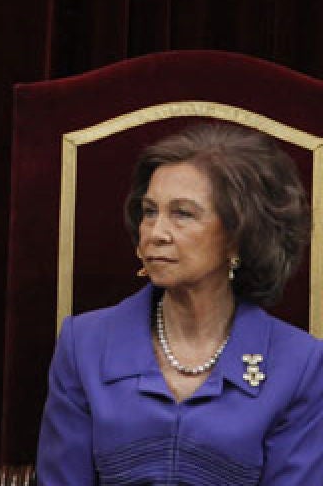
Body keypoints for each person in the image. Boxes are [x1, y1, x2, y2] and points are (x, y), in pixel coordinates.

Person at [37, 123, 323, 484]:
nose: (155, 233)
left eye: (182, 213)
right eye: (149, 211)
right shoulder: (84, 344)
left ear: (239, 236)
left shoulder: (299, 365)